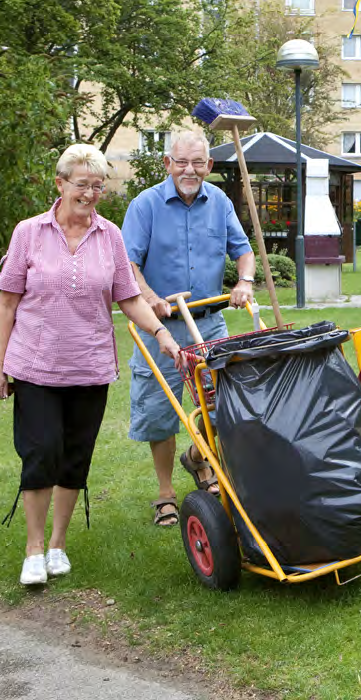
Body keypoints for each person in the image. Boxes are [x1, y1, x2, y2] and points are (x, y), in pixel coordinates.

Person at [0, 144, 182, 586]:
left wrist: (162, 335)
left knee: (75, 457)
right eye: (82, 184)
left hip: (89, 367)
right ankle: (33, 549)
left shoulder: (109, 235)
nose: (90, 194)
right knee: (40, 453)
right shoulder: (29, 233)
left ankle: (58, 545)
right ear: (60, 184)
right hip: (35, 366)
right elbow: (6, 302)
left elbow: (128, 296)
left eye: (98, 186)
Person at [122, 130, 255, 527]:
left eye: (198, 163)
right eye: (181, 162)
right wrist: (148, 296)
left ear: (209, 166)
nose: (189, 170)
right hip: (159, 326)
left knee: (222, 407)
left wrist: (244, 282)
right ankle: (165, 494)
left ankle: (199, 460)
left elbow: (243, 251)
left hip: (209, 322)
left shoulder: (220, 203)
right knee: (160, 412)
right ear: (167, 163)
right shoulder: (145, 205)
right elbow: (128, 265)